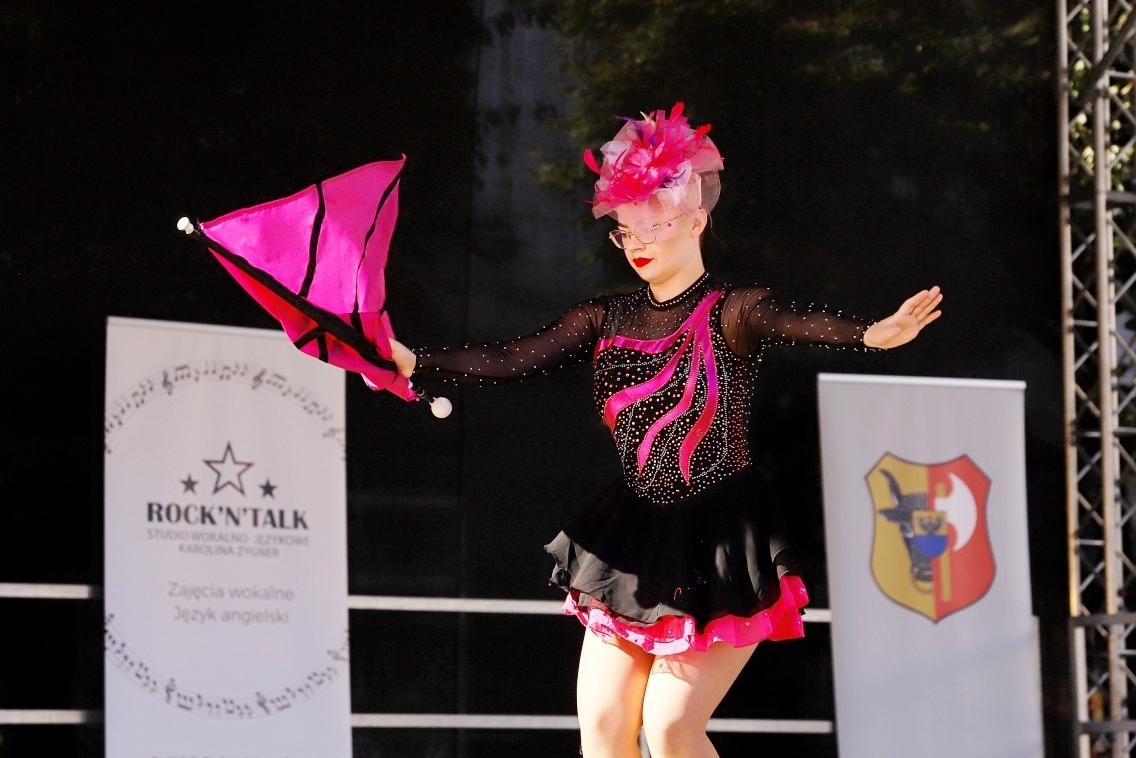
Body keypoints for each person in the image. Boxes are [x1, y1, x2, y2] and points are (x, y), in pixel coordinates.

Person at [389, 103, 941, 758]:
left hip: (720, 538)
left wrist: (870, 335)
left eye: (654, 224)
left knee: (672, 727)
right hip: (634, 534)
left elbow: (794, 322)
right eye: (626, 231)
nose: (638, 243)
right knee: (603, 727)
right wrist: (412, 359)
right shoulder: (604, 318)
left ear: (697, 218)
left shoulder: (733, 311)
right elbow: (513, 358)